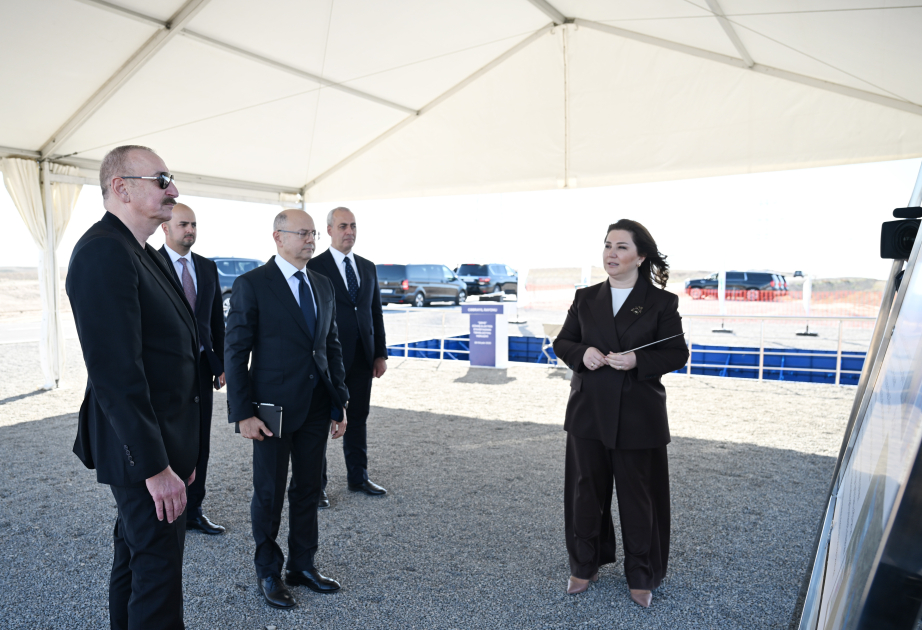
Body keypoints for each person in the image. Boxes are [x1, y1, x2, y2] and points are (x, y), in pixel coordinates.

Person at [66, 145, 200, 629]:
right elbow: (116, 372)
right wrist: (156, 466)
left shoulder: (137, 250)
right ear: (120, 187)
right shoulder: (105, 250)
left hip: (160, 445)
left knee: (137, 560)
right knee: (156, 579)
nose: (174, 190)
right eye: (162, 179)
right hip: (142, 453)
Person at [553, 219, 689, 608]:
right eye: (608, 246)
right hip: (588, 413)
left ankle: (642, 575)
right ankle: (584, 564)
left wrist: (637, 359)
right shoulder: (585, 298)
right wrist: (583, 354)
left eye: (621, 247)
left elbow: (677, 353)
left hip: (637, 416)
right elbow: (563, 341)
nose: (611, 254)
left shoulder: (663, 302)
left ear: (640, 256)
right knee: (584, 493)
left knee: (637, 497)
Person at [224, 209, 350, 610]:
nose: (311, 239)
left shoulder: (323, 285)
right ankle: (268, 570)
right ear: (278, 237)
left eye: (313, 233)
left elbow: (331, 347)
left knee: (308, 489)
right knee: (269, 492)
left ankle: (302, 565)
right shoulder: (253, 285)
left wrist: (339, 401)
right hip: (271, 411)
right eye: (302, 233)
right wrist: (243, 413)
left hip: (316, 407)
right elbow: (236, 351)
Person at [308, 207, 388, 506]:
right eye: (343, 226)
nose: (349, 232)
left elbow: (374, 312)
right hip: (327, 358)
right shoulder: (314, 265)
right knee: (320, 421)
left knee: (358, 418)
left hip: (361, 358)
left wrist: (380, 353)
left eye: (353, 226)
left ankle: (358, 476)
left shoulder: (367, 267)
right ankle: (317, 486)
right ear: (329, 230)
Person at [158, 203, 226, 535]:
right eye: (184, 224)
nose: (190, 230)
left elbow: (216, 321)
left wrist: (221, 363)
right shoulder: (150, 264)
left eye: (194, 225)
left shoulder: (207, 267)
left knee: (200, 441)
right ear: (165, 228)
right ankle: (167, 508)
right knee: (170, 439)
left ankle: (194, 510)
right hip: (167, 372)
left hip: (201, 368)